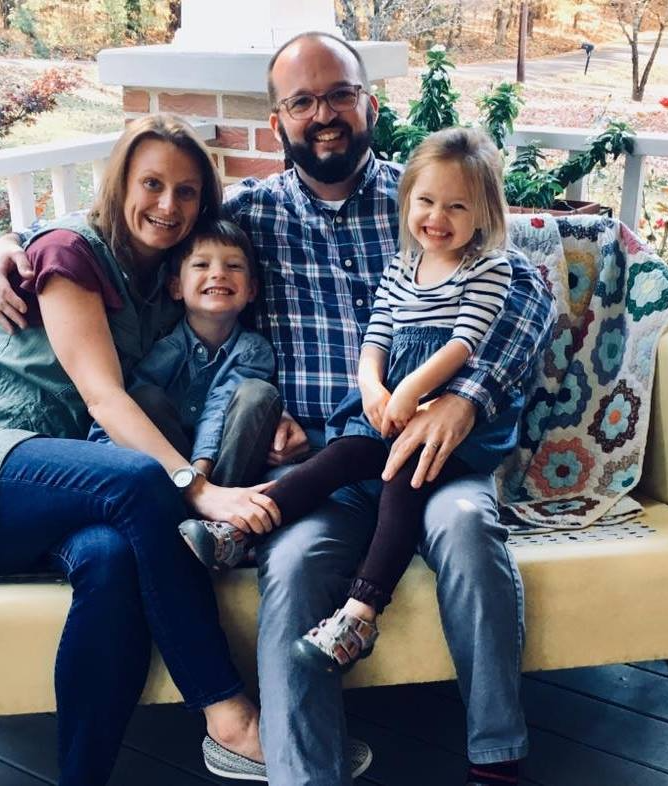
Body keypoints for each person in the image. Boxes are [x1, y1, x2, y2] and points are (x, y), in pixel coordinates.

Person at [0, 32, 556, 786]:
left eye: (339, 95)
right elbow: (123, 228)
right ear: (278, 120)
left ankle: (495, 758)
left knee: (466, 531)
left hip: (435, 452)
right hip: (324, 461)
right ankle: (298, 772)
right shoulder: (249, 213)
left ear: (368, 104)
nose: (323, 114)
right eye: (301, 101)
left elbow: (532, 289)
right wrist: (12, 244)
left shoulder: (425, 197)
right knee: (286, 569)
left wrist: (465, 400)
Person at [0, 114, 281, 786]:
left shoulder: (163, 283)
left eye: (187, 192)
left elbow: (203, 367)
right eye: (152, 184)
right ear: (119, 183)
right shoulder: (73, 251)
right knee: (137, 482)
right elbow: (104, 399)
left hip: (53, 489)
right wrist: (201, 489)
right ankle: (226, 713)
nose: (168, 205)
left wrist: (282, 421)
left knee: (110, 559)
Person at [180, 126, 522, 677]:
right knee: (337, 457)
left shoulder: (489, 269)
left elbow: (463, 342)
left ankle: (361, 613)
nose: (437, 217)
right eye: (426, 201)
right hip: (392, 407)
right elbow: (377, 336)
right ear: (406, 199)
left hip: (448, 426)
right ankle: (238, 531)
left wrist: (410, 393)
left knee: (401, 477)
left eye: (457, 206)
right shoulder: (401, 266)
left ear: (483, 215)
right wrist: (373, 386)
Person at [87, 218, 282, 492]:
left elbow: (220, 404)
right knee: (144, 396)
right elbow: (129, 404)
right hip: (168, 460)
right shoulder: (166, 347)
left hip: (227, 464)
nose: (218, 274)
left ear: (251, 290)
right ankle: (182, 504)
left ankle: (218, 512)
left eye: (234, 266)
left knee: (257, 393)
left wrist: (201, 473)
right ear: (176, 287)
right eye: (202, 265)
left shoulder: (254, 351)